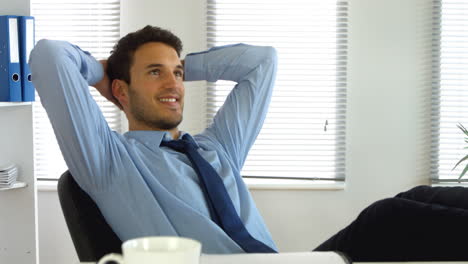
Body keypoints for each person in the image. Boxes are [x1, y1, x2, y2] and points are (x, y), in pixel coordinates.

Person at [30, 25, 468, 262]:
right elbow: (49, 56)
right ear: (121, 92)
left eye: (178, 73)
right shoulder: (110, 163)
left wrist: (176, 66)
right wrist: (103, 72)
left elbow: (262, 62)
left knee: (416, 198)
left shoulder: (216, 148)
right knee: (388, 218)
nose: (174, 84)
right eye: (155, 72)